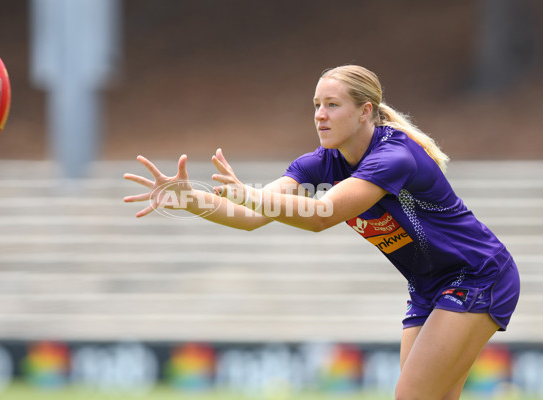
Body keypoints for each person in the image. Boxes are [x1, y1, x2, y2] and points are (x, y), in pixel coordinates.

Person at [123, 65, 520, 400]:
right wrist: (192, 199)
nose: (320, 115)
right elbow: (252, 217)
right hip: (429, 286)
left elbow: (320, 215)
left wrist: (252, 196)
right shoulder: (318, 164)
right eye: (316, 105)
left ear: (365, 111)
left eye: (332, 105)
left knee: (410, 396)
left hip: (477, 274)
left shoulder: (393, 156)